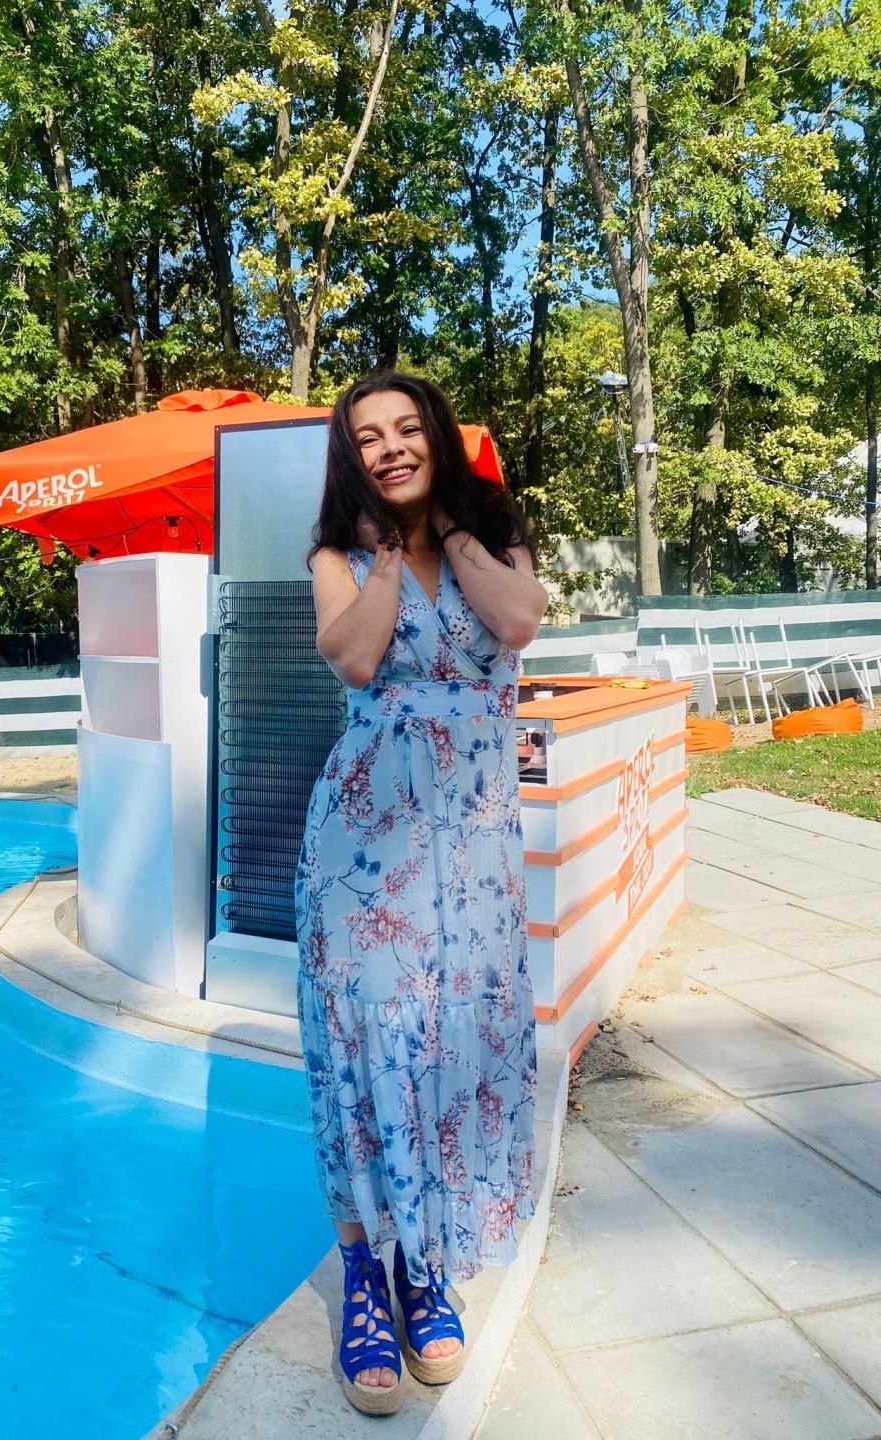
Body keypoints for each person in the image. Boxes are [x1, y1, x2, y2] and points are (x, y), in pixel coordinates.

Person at [294, 372, 548, 1415]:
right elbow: (356, 659)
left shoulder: (496, 535)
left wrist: (448, 530)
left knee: (455, 1044)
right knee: (365, 1047)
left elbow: (517, 622)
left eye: (408, 428)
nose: (392, 447)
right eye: (369, 437)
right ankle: (366, 1268)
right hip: (364, 853)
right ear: (350, 457)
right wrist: (393, 554)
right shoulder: (338, 558)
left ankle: (425, 1262)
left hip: (476, 851)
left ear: (437, 437)